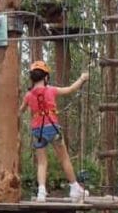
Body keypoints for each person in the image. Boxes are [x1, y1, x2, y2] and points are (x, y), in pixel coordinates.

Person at [21, 60, 89, 203]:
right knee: (63, 158)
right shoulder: (51, 90)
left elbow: (20, 111)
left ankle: (41, 192)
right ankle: (74, 187)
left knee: (41, 162)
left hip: (37, 131)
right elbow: (70, 89)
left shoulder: (28, 95)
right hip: (52, 128)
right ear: (46, 77)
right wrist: (82, 79)